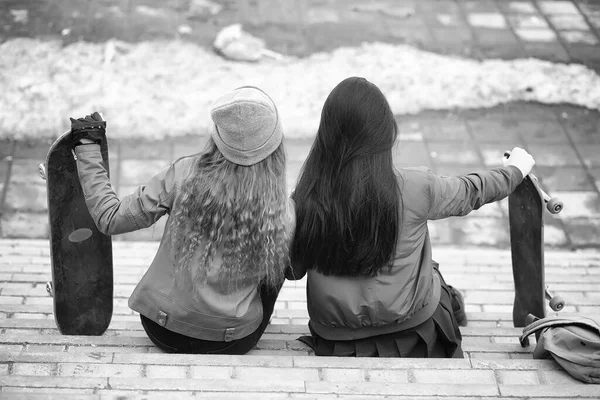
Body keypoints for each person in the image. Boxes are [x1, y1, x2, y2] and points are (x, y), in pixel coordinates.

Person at [287, 77, 534, 358]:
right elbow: (470, 191)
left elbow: (292, 271)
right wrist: (514, 171)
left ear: (326, 135)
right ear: (385, 134)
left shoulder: (306, 197)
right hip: (414, 332)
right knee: (434, 272)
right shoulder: (416, 187)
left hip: (336, 339)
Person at [71, 86, 293, 354]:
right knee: (276, 260)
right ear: (275, 145)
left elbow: (110, 219)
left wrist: (88, 146)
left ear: (218, 137)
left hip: (165, 330)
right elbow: (292, 272)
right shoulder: (284, 209)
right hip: (233, 340)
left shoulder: (184, 174)